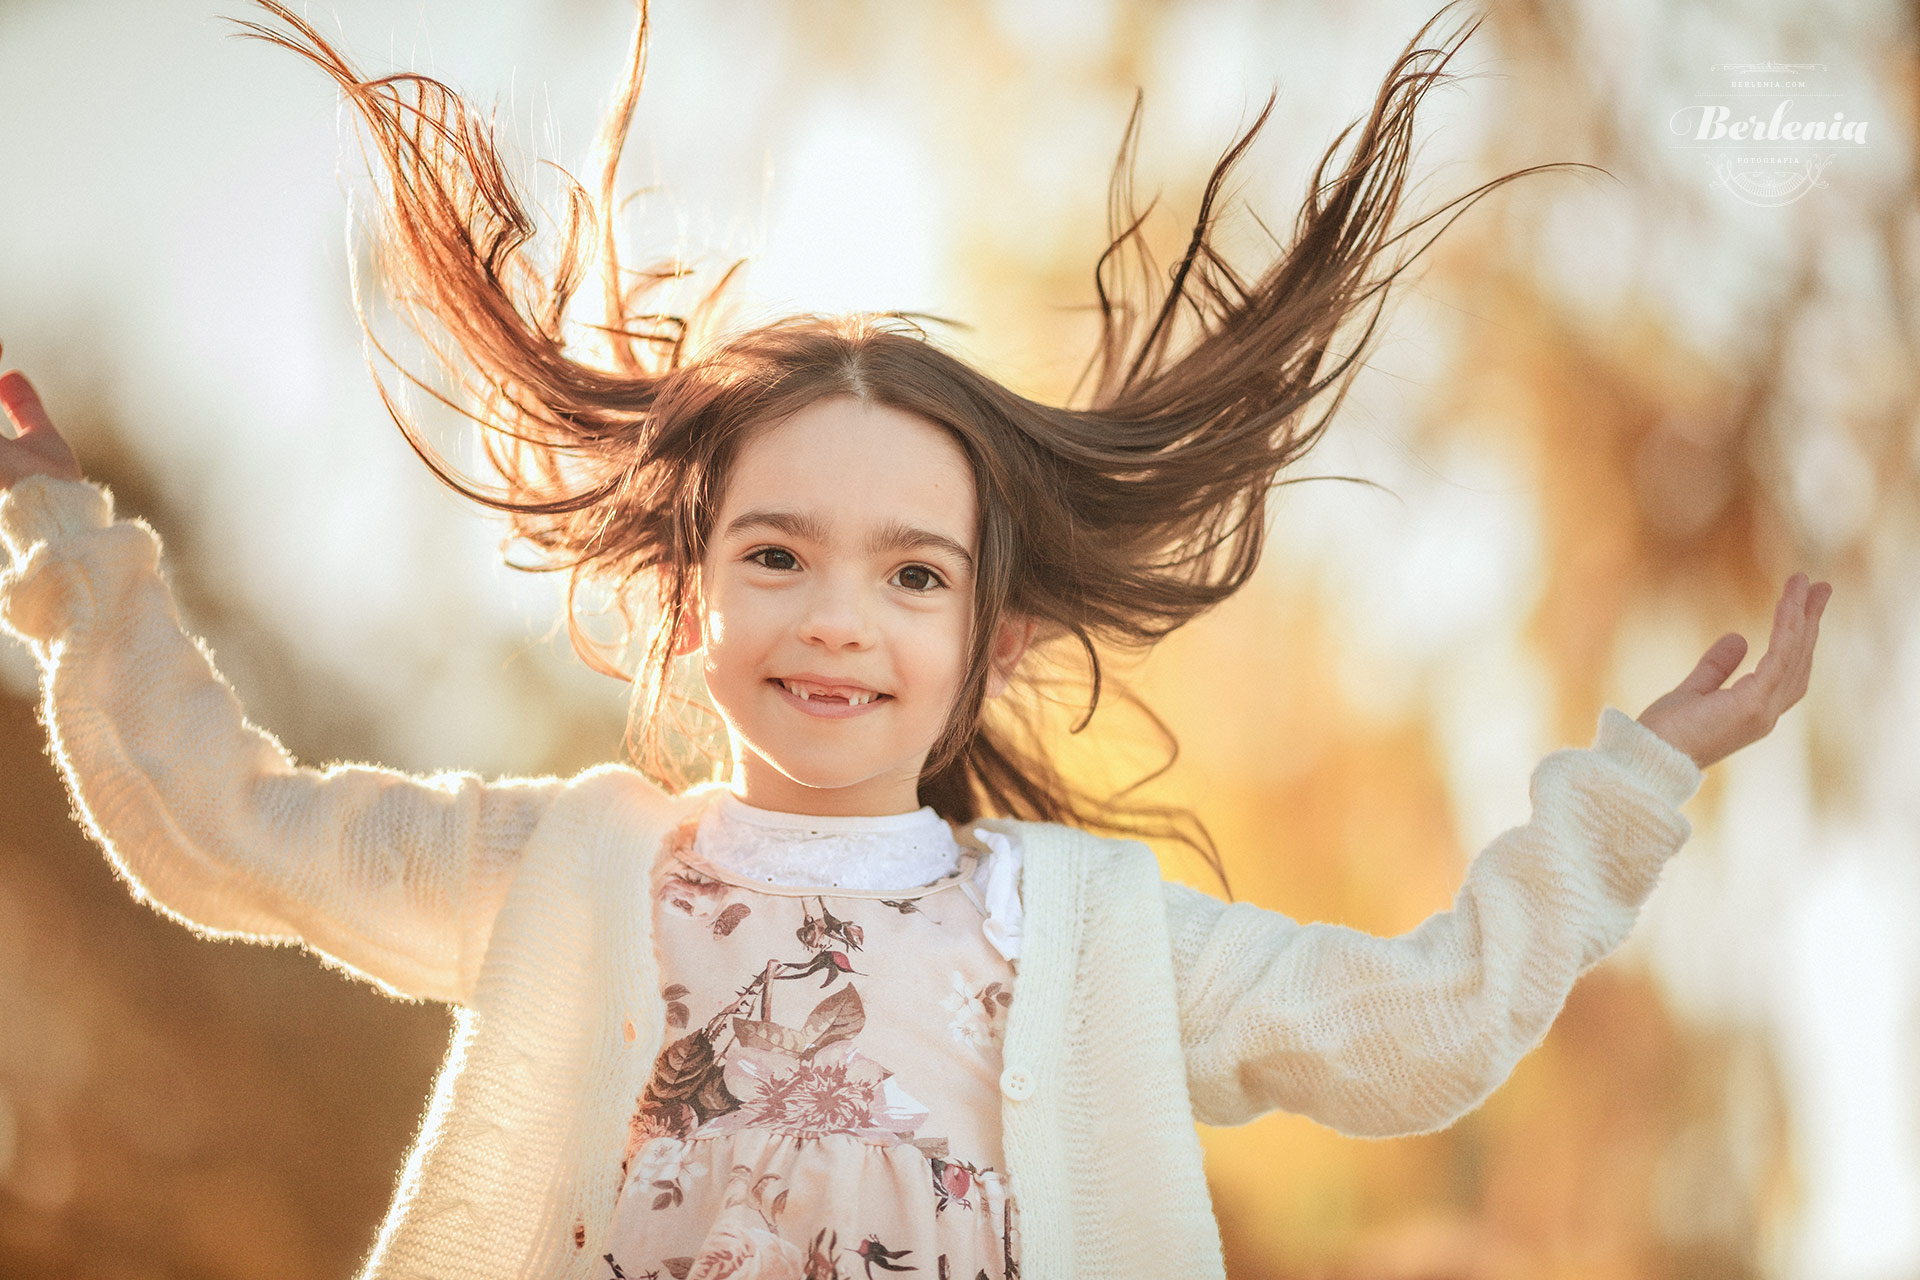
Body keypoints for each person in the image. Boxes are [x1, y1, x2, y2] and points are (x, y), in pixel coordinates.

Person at [0, 3, 1831, 1278]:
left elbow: (1416, 1030)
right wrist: (73, 553)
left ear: (996, 640)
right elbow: (225, 831)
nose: (836, 620)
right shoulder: (562, 871)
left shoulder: (1082, 933)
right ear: (686, 596)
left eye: (913, 578)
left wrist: (1635, 785)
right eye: (777, 554)